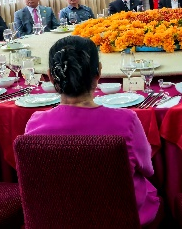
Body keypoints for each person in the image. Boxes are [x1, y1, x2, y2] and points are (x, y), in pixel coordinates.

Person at [25, 36, 160, 226]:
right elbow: (147, 169)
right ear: (99, 73)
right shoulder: (126, 121)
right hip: (120, 219)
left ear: (51, 76)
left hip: (60, 219)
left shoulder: (35, 124)